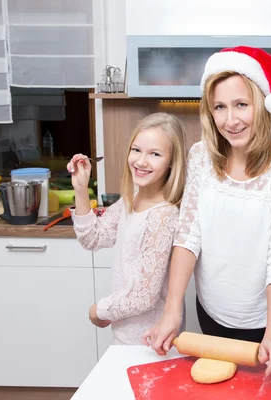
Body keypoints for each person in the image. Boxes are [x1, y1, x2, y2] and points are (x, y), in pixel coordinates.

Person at [143, 46, 271, 375]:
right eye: (220, 107)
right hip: (211, 310)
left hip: (264, 321)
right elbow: (189, 235)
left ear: (261, 105)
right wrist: (173, 308)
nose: (230, 120)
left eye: (241, 105)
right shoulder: (200, 157)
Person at [68, 112, 188, 345]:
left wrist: (98, 310)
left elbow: (144, 298)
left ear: (173, 161)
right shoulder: (130, 200)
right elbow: (93, 238)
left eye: (155, 154)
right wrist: (81, 189)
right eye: (136, 150)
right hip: (125, 333)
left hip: (150, 339)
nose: (141, 161)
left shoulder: (163, 215)